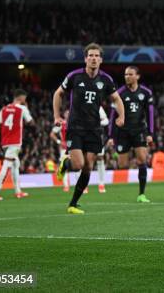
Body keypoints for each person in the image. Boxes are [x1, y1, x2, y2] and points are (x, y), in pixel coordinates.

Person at [54, 43, 125, 214]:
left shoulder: (106, 80)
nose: (93, 58)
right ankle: (66, 162)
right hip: (75, 127)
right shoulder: (74, 76)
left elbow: (116, 99)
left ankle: (72, 204)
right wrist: (57, 116)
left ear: (101, 59)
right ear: (85, 59)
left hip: (94, 129)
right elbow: (58, 94)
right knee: (78, 164)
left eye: (96, 56)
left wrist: (122, 116)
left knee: (88, 167)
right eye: (90, 55)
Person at [107, 66, 154, 203]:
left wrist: (150, 133)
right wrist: (110, 136)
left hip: (139, 130)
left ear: (137, 76)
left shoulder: (146, 93)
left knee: (142, 160)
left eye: (130, 74)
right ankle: (117, 153)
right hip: (123, 132)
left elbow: (150, 113)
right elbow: (112, 116)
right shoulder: (119, 93)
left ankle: (141, 194)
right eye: (126, 74)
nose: (127, 76)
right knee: (122, 165)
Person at [0, 89, 34, 200]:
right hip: (15, 142)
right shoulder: (22, 108)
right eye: (25, 98)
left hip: (5, 142)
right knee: (7, 166)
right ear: (20, 97)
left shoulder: (4, 109)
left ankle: (18, 192)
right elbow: (31, 123)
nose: (25, 100)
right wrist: (27, 107)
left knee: (16, 165)